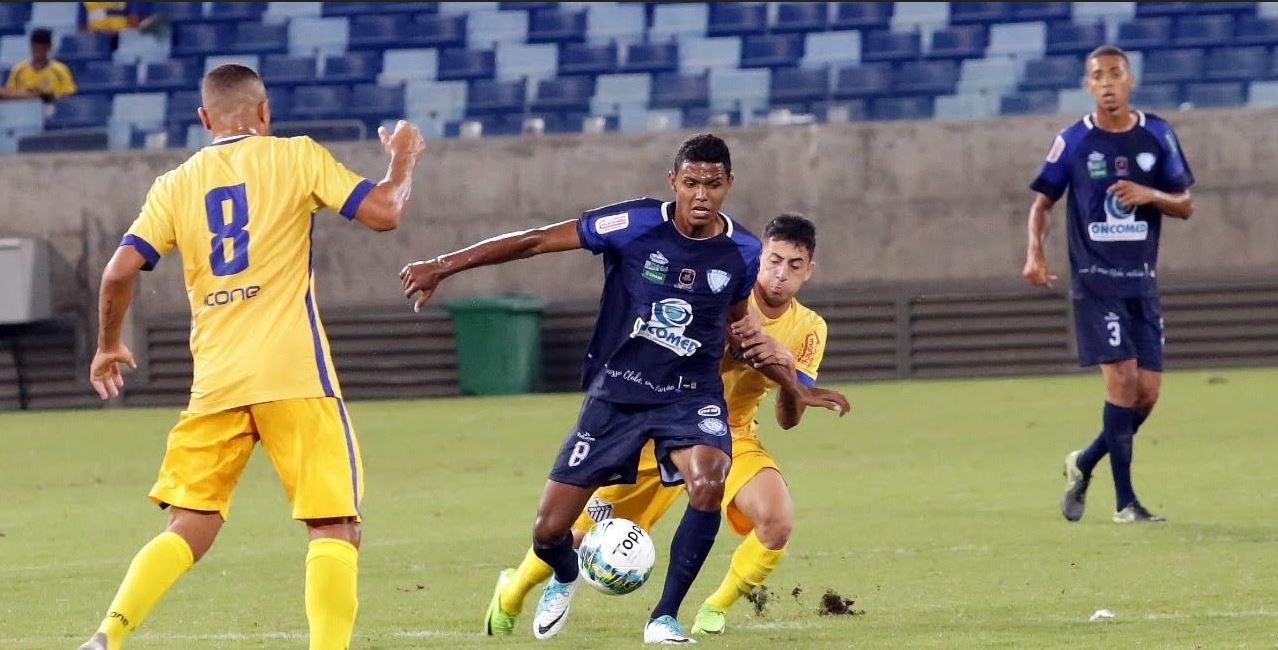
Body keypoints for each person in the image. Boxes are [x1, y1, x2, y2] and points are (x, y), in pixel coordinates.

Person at [401, 134, 849, 644]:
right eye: (691, 182)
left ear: (729, 186)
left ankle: (666, 617)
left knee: (708, 481)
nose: (701, 194)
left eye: (713, 184)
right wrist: (442, 265)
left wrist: (793, 382)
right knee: (553, 533)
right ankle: (559, 577)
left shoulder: (743, 252)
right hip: (622, 393)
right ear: (673, 182)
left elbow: (739, 326)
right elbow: (537, 240)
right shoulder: (633, 224)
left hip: (691, 398)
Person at [78, 64, 426, 650]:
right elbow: (386, 212)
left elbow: (118, 271)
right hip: (295, 373)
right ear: (264, 113)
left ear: (204, 119)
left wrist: (109, 344)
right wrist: (404, 160)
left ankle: (108, 636)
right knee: (334, 524)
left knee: (190, 523)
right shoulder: (295, 156)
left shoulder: (173, 184)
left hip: (216, 380)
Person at [483, 213, 832, 638]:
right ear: (759, 257)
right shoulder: (722, 288)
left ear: (808, 271)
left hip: (731, 432)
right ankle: (513, 592)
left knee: (777, 522)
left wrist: (789, 372)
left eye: (794, 266)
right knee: (574, 533)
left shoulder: (810, 328)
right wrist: (739, 345)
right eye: (774, 260)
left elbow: (789, 418)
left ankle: (707, 610)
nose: (780, 275)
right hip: (664, 418)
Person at [1022, 45, 1194, 525]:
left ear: (1130, 80)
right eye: (1098, 76)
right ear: (1087, 85)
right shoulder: (1074, 140)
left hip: (1142, 280)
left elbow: (1185, 204)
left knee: (1147, 394)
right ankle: (1126, 504)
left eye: (1115, 74)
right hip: (1095, 282)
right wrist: (1035, 253)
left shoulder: (1158, 134)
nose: (1107, 83)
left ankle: (1084, 461)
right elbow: (1042, 203)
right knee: (1121, 384)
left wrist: (1150, 194)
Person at [2, 28, 76, 102]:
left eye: (42, 49)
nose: (38, 53)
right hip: (23, 111)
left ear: (48, 47)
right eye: (36, 48)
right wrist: (36, 97)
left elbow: (68, 98)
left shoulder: (60, 70)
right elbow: (9, 94)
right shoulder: (18, 70)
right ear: (31, 46)